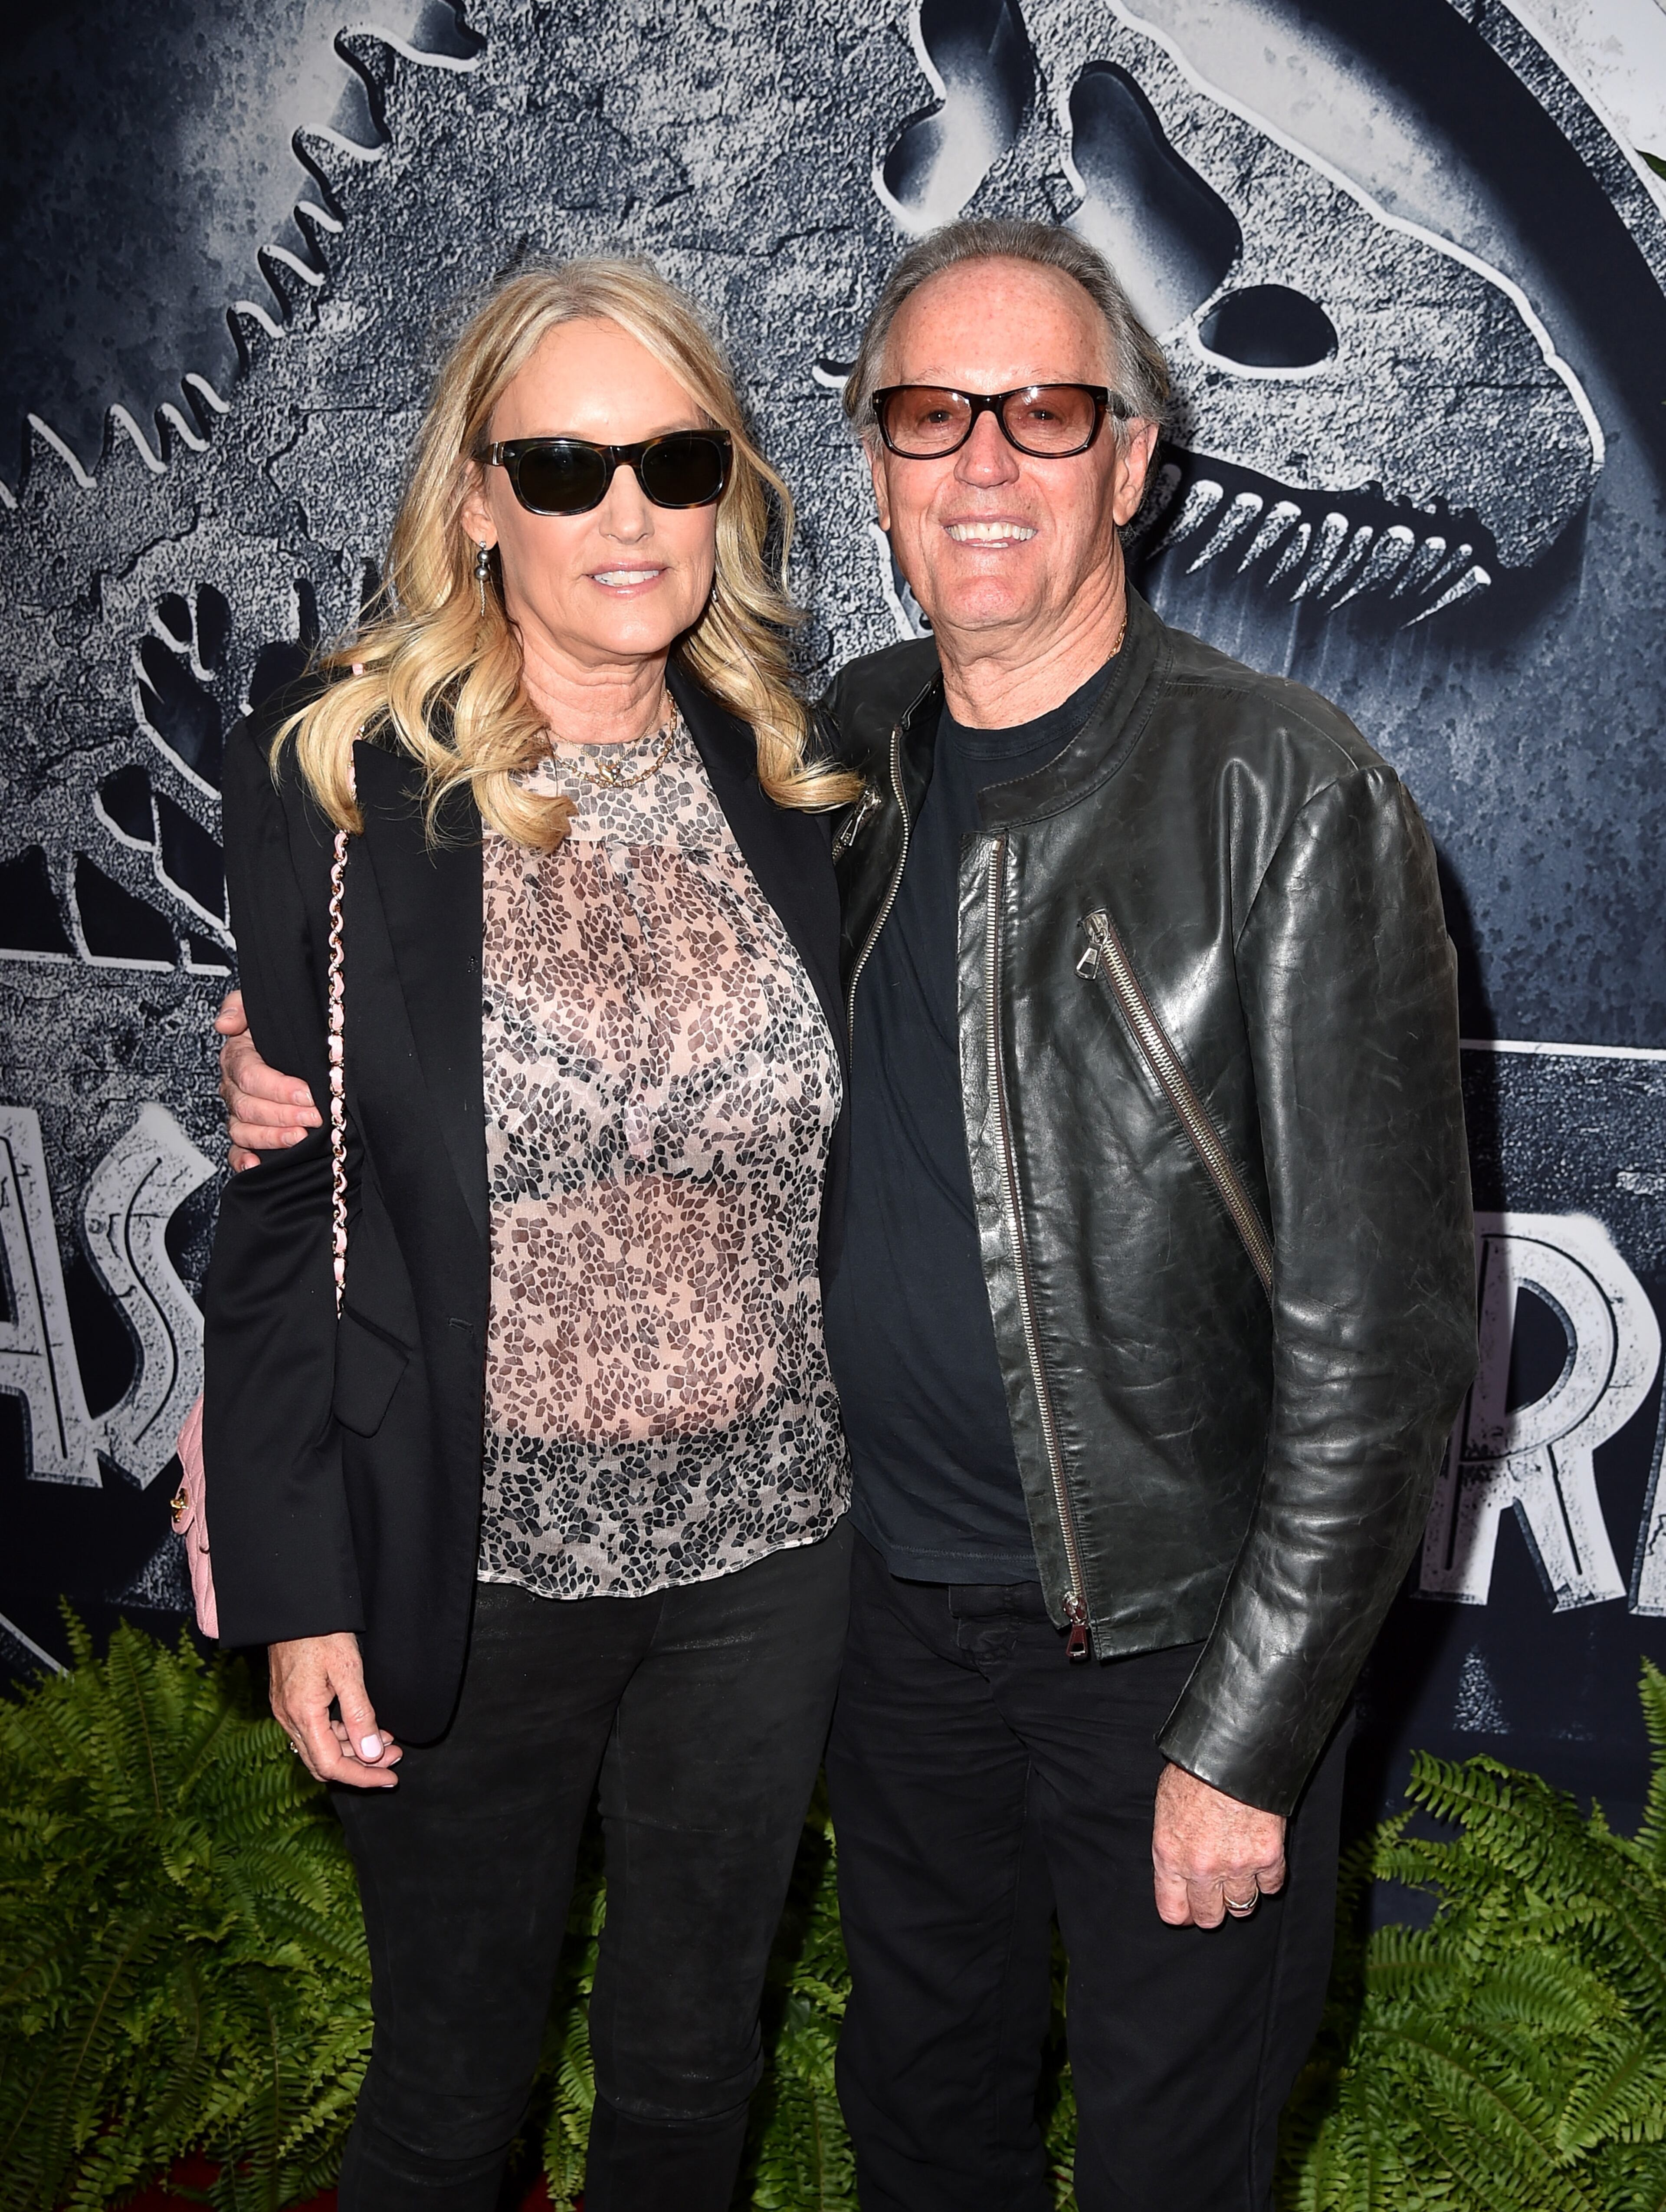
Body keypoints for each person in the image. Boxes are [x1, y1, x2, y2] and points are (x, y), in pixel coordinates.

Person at [217, 220, 1477, 2212]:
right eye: (927, 416)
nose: (982, 463)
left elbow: (1383, 1338)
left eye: (1044, 413)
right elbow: (335, 1150)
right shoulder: (817, 753)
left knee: (1124, 2156)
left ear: (1133, 461)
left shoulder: (1247, 794)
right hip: (836, 1610)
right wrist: (283, 1079)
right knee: (905, 2121)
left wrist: (1251, 1735)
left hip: (1098, 1629)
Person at [203, 258, 858, 2212]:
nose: (629, 514)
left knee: (686, 2082)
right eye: (567, 465)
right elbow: (284, 1210)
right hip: (468, 1573)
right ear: (476, 495)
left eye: (674, 459)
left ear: (729, 484)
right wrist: (298, 1583)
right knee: (445, 2095)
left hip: (771, 1565)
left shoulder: (801, 775)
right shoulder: (339, 774)